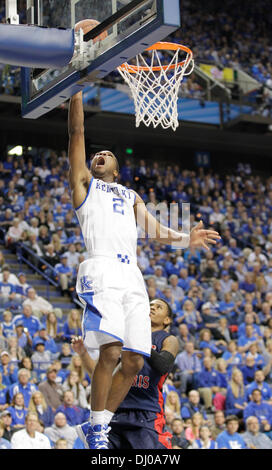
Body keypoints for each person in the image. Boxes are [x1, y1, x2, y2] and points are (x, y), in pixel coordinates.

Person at [68, 90, 220, 449]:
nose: (99, 155)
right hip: (101, 268)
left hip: (132, 276)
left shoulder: (130, 195)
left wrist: (187, 239)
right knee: (110, 352)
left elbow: (155, 230)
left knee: (134, 361)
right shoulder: (85, 187)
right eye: (96, 155)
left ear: (118, 170)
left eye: (106, 155)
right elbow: (76, 133)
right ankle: (97, 426)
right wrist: (74, 90)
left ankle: (100, 424)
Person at [73, 298, 179, 449]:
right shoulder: (126, 337)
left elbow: (163, 366)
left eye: (159, 307)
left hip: (146, 413)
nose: (152, 308)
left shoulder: (169, 339)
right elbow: (102, 375)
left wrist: (140, 342)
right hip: (115, 411)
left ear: (167, 320)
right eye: (150, 305)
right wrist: (83, 353)